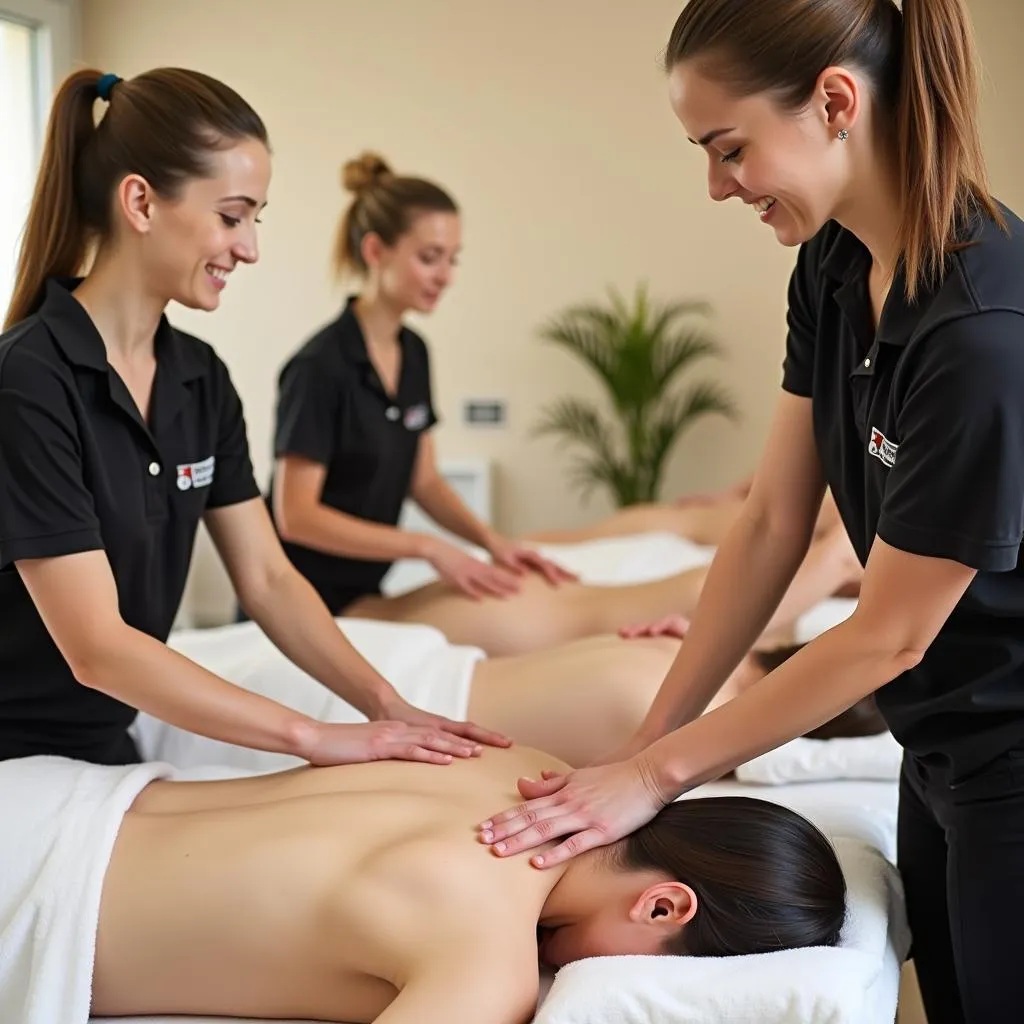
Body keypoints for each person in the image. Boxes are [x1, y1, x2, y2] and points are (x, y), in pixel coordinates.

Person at [477, 3, 1024, 1022]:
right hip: (940, 737)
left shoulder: (983, 331)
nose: (718, 185)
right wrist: (647, 751)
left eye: (730, 150)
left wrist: (656, 773)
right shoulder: (833, 267)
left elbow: (888, 637)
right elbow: (773, 519)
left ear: (834, 101)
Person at [0, 68, 506, 767]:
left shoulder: (200, 378)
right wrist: (313, 738)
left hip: (110, 741)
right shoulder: (28, 379)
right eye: (232, 216)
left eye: (254, 220)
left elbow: (268, 577)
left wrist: (386, 706)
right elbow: (96, 648)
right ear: (141, 202)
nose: (249, 248)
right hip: (20, 760)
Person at [267, 153, 859, 656]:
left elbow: (423, 480)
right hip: (308, 601)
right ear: (375, 251)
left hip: (372, 588)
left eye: (454, 258)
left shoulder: (411, 352)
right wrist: (427, 546)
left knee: (541, 587)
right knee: (564, 612)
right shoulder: (321, 367)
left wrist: (492, 542)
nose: (445, 275)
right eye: (430, 257)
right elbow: (296, 516)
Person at [89, 745, 846, 1023]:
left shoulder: (520, 762)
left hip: (66, 792)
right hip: (29, 905)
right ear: (662, 905)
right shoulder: (487, 970)